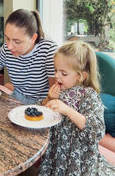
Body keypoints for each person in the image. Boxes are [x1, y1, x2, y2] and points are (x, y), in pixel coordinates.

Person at [38, 40, 115, 175]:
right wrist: (49, 99)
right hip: (56, 156)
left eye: (64, 73)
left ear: (81, 76)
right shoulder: (59, 89)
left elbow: (96, 131)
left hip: (78, 160)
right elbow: (41, 111)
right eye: (56, 70)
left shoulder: (89, 95)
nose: (56, 75)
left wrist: (67, 110)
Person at [0, 8, 57, 104]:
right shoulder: (6, 49)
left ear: (33, 38)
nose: (9, 46)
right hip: (16, 101)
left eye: (17, 41)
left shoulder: (48, 50)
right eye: (7, 38)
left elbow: (54, 92)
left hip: (42, 105)